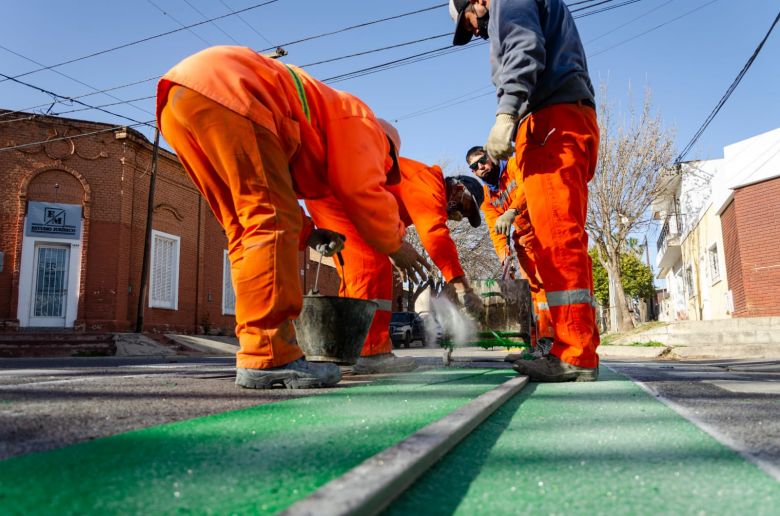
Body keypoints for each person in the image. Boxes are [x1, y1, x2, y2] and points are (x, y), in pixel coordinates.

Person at [156, 46, 429, 389]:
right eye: (386, 169)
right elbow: (359, 186)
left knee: (244, 225)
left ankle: (260, 348)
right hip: (236, 91)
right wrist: (395, 244)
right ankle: (269, 354)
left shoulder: (326, 118)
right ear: (388, 148)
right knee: (267, 221)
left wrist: (309, 234)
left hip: (181, 97)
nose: (383, 173)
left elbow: (275, 192)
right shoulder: (364, 122)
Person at [449, 0, 600, 382]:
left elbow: (522, 44)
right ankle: (568, 347)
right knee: (558, 243)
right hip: (555, 121)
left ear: (477, 2)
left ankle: (575, 354)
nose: (479, 32)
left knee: (559, 242)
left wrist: (507, 110)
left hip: (552, 123)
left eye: (471, 23)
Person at [306, 122, 484, 374]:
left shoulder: (416, 188)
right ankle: (365, 352)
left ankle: (360, 350)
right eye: (465, 207)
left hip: (345, 201)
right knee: (367, 270)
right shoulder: (429, 182)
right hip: (339, 201)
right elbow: (435, 236)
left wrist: (393, 250)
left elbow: (390, 217)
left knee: (374, 275)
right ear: (457, 189)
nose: (460, 216)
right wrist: (462, 287)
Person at [464, 145, 554, 354]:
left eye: (483, 161)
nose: (481, 167)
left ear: (491, 157)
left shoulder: (514, 165)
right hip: (524, 239)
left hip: (545, 229)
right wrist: (504, 257)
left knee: (549, 286)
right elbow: (496, 230)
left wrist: (512, 210)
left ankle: (553, 339)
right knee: (530, 291)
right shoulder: (487, 196)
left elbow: (527, 186)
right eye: (475, 167)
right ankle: (535, 342)